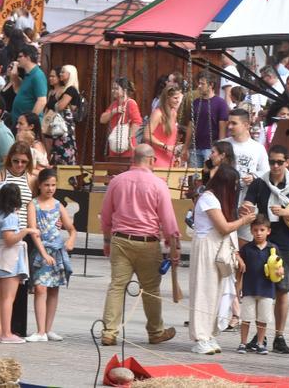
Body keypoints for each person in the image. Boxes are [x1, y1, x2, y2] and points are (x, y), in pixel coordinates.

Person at [98, 144, 180, 346]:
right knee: (151, 289)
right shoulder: (158, 184)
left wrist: (107, 241)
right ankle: (155, 331)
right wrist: (172, 245)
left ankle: (109, 332)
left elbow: (106, 215)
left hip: (120, 240)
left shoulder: (117, 181)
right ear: (151, 160)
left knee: (117, 286)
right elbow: (168, 220)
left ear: (133, 159)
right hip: (148, 243)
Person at [242, 144, 289, 354]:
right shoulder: (260, 182)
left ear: (287, 162)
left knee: (282, 289)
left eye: (280, 162)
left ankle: (279, 335)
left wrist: (284, 213)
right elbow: (248, 203)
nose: (275, 166)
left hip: (285, 241)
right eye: (272, 162)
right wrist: (246, 208)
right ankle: (259, 335)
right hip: (262, 241)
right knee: (261, 289)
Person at [189, 164, 254, 355]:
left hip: (218, 249)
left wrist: (239, 215)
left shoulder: (218, 200)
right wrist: (244, 221)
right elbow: (224, 227)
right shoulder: (208, 198)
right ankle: (200, 337)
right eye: (233, 185)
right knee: (203, 292)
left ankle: (209, 333)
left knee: (217, 293)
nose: (235, 189)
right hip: (206, 248)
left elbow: (226, 225)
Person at [26, 167, 76, 343]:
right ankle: (40, 330)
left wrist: (70, 240)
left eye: (53, 185)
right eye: (47, 185)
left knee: (54, 288)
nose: (50, 188)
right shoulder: (33, 205)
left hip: (57, 249)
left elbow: (71, 228)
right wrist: (43, 253)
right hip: (42, 250)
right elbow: (34, 231)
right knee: (40, 287)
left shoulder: (58, 205)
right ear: (40, 185)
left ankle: (48, 329)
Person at [0, 183, 37, 344]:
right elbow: (9, 239)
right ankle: (6, 333)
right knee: (8, 297)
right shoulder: (11, 216)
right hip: (10, 256)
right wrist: (26, 231)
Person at [225, 108, 270, 242]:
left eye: (234, 123)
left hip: (247, 201)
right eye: (229, 123)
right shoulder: (224, 144)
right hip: (226, 200)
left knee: (244, 241)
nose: (230, 126)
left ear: (246, 125)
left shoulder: (258, 148)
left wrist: (254, 176)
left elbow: (266, 172)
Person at [237, 214, 279, 355]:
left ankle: (260, 343)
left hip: (267, 290)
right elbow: (239, 266)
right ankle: (243, 343)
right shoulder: (246, 248)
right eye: (255, 230)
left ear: (268, 231)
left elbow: (279, 267)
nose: (258, 233)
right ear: (251, 231)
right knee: (246, 318)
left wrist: (280, 272)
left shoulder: (273, 249)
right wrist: (238, 287)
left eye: (262, 230)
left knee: (263, 319)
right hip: (249, 289)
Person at [186, 73, 230, 167]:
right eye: (199, 83)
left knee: (210, 173)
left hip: (211, 148)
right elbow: (191, 125)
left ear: (211, 85)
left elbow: (222, 128)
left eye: (202, 84)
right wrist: (185, 147)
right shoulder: (196, 103)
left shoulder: (220, 103)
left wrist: (220, 149)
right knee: (194, 175)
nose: (199, 86)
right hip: (195, 147)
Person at [42, 65, 81, 168]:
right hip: (55, 126)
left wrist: (54, 105)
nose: (61, 74)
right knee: (54, 152)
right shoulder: (56, 91)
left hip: (64, 127)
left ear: (70, 74)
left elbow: (60, 106)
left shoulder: (71, 90)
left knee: (64, 150)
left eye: (63, 72)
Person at [145, 85, 184, 168]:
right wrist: (165, 146)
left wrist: (176, 155)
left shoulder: (174, 113)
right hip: (156, 155)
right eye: (175, 98)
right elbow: (147, 135)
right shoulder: (158, 114)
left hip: (169, 156)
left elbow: (171, 138)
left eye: (179, 98)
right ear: (167, 98)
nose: (178, 101)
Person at [9, 45, 47, 121]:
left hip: (27, 123)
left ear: (28, 57)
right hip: (19, 120)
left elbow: (42, 101)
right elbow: (17, 90)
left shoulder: (37, 75)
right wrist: (14, 75)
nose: (18, 59)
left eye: (20, 56)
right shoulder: (28, 74)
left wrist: (29, 120)